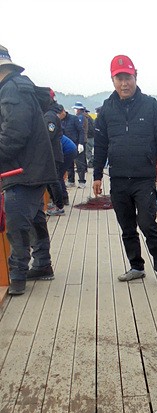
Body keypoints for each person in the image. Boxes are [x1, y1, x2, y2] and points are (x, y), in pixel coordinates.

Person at [93, 54, 157, 288]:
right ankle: (136, 266)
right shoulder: (106, 108)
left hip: (144, 179)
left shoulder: (150, 105)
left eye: (128, 78)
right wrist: (97, 175)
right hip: (118, 179)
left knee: (148, 224)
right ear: (112, 80)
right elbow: (100, 144)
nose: (124, 83)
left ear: (135, 77)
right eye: (119, 79)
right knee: (127, 227)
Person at [0, 44, 57, 295]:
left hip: (22, 171)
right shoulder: (18, 86)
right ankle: (42, 264)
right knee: (33, 218)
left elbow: (14, 134)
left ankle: (17, 275)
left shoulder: (11, 89)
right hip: (34, 167)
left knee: (16, 223)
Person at [43, 99, 66, 215]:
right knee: (50, 180)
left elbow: (48, 135)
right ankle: (56, 203)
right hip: (52, 153)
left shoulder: (49, 116)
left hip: (52, 154)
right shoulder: (51, 115)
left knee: (53, 180)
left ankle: (59, 206)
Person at [59, 105, 84, 188]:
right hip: (67, 146)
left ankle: (82, 181)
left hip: (76, 143)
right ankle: (71, 180)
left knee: (80, 163)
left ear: (63, 111)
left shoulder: (74, 118)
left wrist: (81, 143)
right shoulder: (59, 120)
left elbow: (81, 131)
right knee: (69, 165)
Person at [72, 101, 89, 186]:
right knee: (82, 159)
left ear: (78, 109)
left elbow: (80, 129)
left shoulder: (80, 117)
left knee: (79, 161)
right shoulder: (83, 116)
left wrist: (80, 142)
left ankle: (81, 180)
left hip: (80, 141)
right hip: (82, 140)